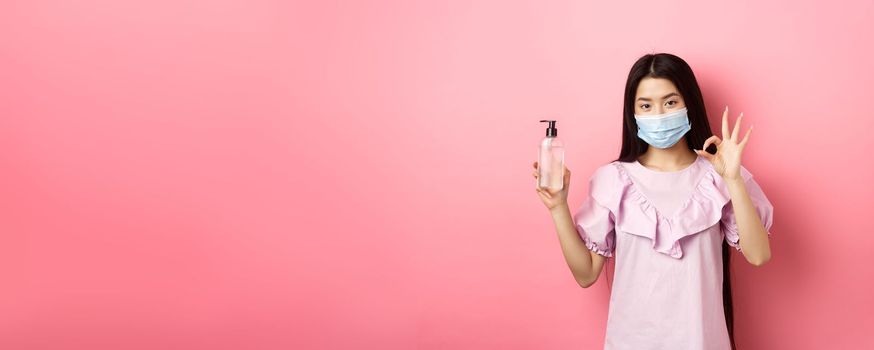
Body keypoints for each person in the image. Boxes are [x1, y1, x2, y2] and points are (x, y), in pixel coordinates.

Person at [532, 53, 774, 350]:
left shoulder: (719, 176)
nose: (658, 114)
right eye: (646, 105)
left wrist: (733, 180)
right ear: (632, 114)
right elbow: (586, 274)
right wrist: (558, 207)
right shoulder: (613, 180)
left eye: (670, 102)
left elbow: (759, 255)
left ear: (689, 104)